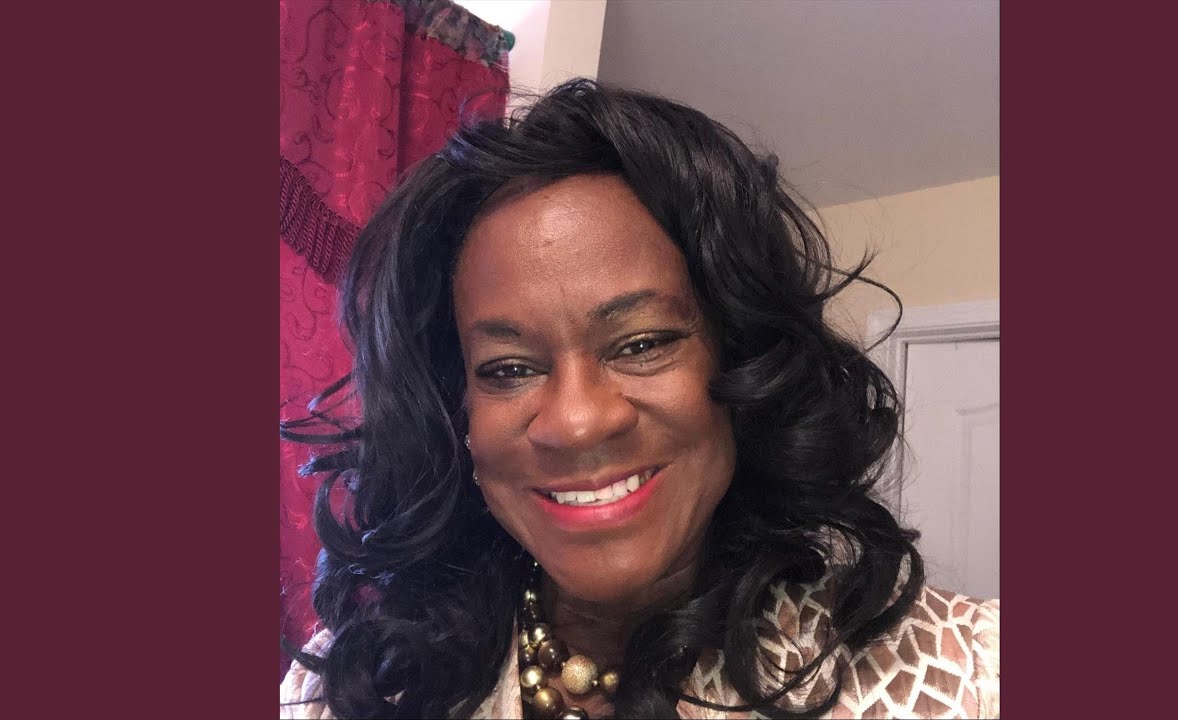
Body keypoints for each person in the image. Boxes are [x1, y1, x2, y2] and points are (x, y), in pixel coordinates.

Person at [279, 79, 999, 719]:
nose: (576, 421)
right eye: (508, 369)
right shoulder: (350, 685)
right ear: (453, 410)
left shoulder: (970, 676)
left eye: (642, 343)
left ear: (744, 362)